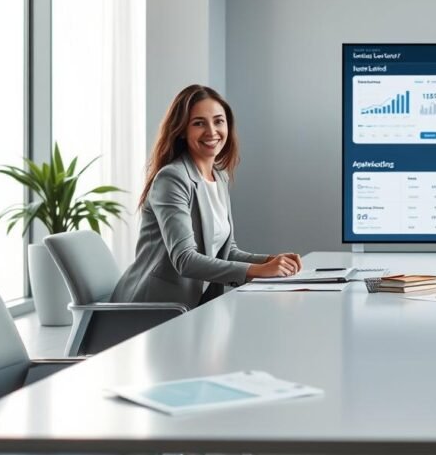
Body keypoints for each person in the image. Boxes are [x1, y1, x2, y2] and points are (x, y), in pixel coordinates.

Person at [111, 85, 302, 308]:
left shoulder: (218, 177)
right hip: (153, 308)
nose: (212, 131)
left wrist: (270, 261)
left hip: (193, 307)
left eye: (219, 121)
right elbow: (185, 260)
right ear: (182, 130)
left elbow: (225, 251)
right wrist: (258, 271)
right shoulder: (172, 178)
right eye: (199, 123)